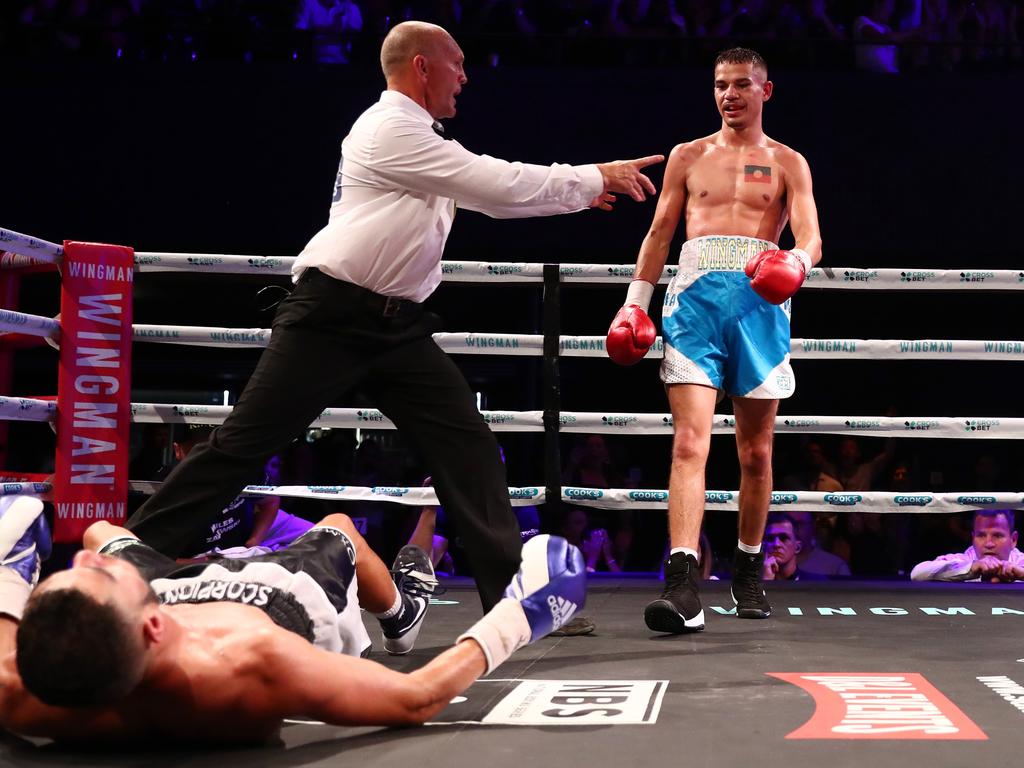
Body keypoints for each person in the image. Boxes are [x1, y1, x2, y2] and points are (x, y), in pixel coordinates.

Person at [126, 20, 663, 612]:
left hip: (395, 326)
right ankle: (123, 564)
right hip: (331, 315)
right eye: (456, 62)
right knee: (240, 445)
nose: (465, 75)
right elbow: (494, 181)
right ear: (422, 67)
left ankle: (513, 602)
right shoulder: (387, 130)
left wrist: (584, 192)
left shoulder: (425, 139)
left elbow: (493, 195)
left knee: (468, 446)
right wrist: (592, 176)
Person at [0, 495, 586, 744]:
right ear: (153, 626)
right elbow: (415, 697)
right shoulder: (250, 658)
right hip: (278, 599)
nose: (76, 559)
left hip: (166, 591)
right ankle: (402, 613)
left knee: (103, 536)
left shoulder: (24, 684)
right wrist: (524, 613)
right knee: (337, 527)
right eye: (95, 575)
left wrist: (9, 579)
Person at [606, 47, 822, 633]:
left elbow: (811, 234)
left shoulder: (788, 162)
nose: (730, 95)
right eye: (721, 85)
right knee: (689, 444)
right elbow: (659, 233)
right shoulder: (688, 155)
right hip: (693, 303)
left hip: (759, 304)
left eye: (742, 86)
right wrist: (634, 303)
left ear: (765, 91)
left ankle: (748, 568)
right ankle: (681, 580)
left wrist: (796, 262)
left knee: (755, 453)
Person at [911, 509, 1024, 582]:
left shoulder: (1021, 561)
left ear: (1013, 540)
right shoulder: (963, 560)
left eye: (998, 535)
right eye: (981, 536)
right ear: (973, 538)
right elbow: (917, 573)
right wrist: (970, 569)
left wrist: (1020, 574)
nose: (989, 544)